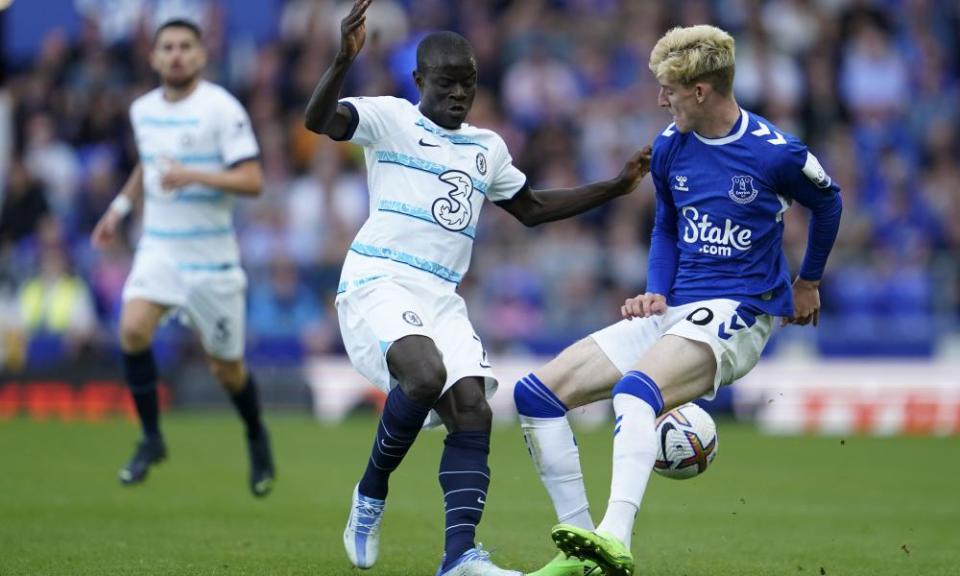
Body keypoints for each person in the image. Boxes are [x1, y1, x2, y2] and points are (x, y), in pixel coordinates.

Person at [303, 1, 650, 574]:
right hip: (379, 278)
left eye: (468, 83)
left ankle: (459, 556)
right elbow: (319, 121)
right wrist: (342, 59)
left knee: (473, 409)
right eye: (446, 83)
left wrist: (616, 186)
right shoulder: (389, 119)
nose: (459, 94)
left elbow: (532, 208)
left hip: (441, 295)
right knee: (425, 375)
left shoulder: (486, 148)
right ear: (419, 81)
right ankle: (370, 494)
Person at [518, 25, 843, 576]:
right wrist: (656, 291)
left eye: (668, 88)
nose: (660, 98)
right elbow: (666, 226)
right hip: (677, 311)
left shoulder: (776, 154)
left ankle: (615, 539)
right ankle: (584, 553)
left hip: (741, 311)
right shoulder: (670, 145)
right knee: (537, 396)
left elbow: (829, 202)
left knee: (634, 392)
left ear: (701, 90)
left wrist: (808, 282)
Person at [91, 19, 275, 497]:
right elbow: (149, 164)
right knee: (132, 328)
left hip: (212, 262)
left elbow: (253, 180)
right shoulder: (143, 110)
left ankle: (256, 434)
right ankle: (151, 438)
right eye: (167, 47)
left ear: (200, 55)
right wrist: (119, 208)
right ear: (153, 58)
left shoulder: (221, 108)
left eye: (184, 47)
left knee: (227, 371)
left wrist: (195, 175)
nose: (175, 55)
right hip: (161, 248)